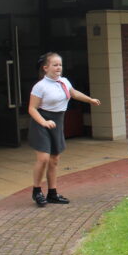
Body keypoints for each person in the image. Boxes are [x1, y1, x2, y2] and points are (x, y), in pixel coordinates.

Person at [28, 52, 100, 207]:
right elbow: (32, 109)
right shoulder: (40, 86)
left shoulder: (64, 82)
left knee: (54, 159)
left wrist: (90, 100)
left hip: (57, 122)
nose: (58, 67)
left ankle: (52, 193)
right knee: (43, 158)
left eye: (60, 64)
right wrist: (44, 122)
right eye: (55, 65)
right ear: (45, 68)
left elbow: (73, 93)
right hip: (41, 122)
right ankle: (37, 191)